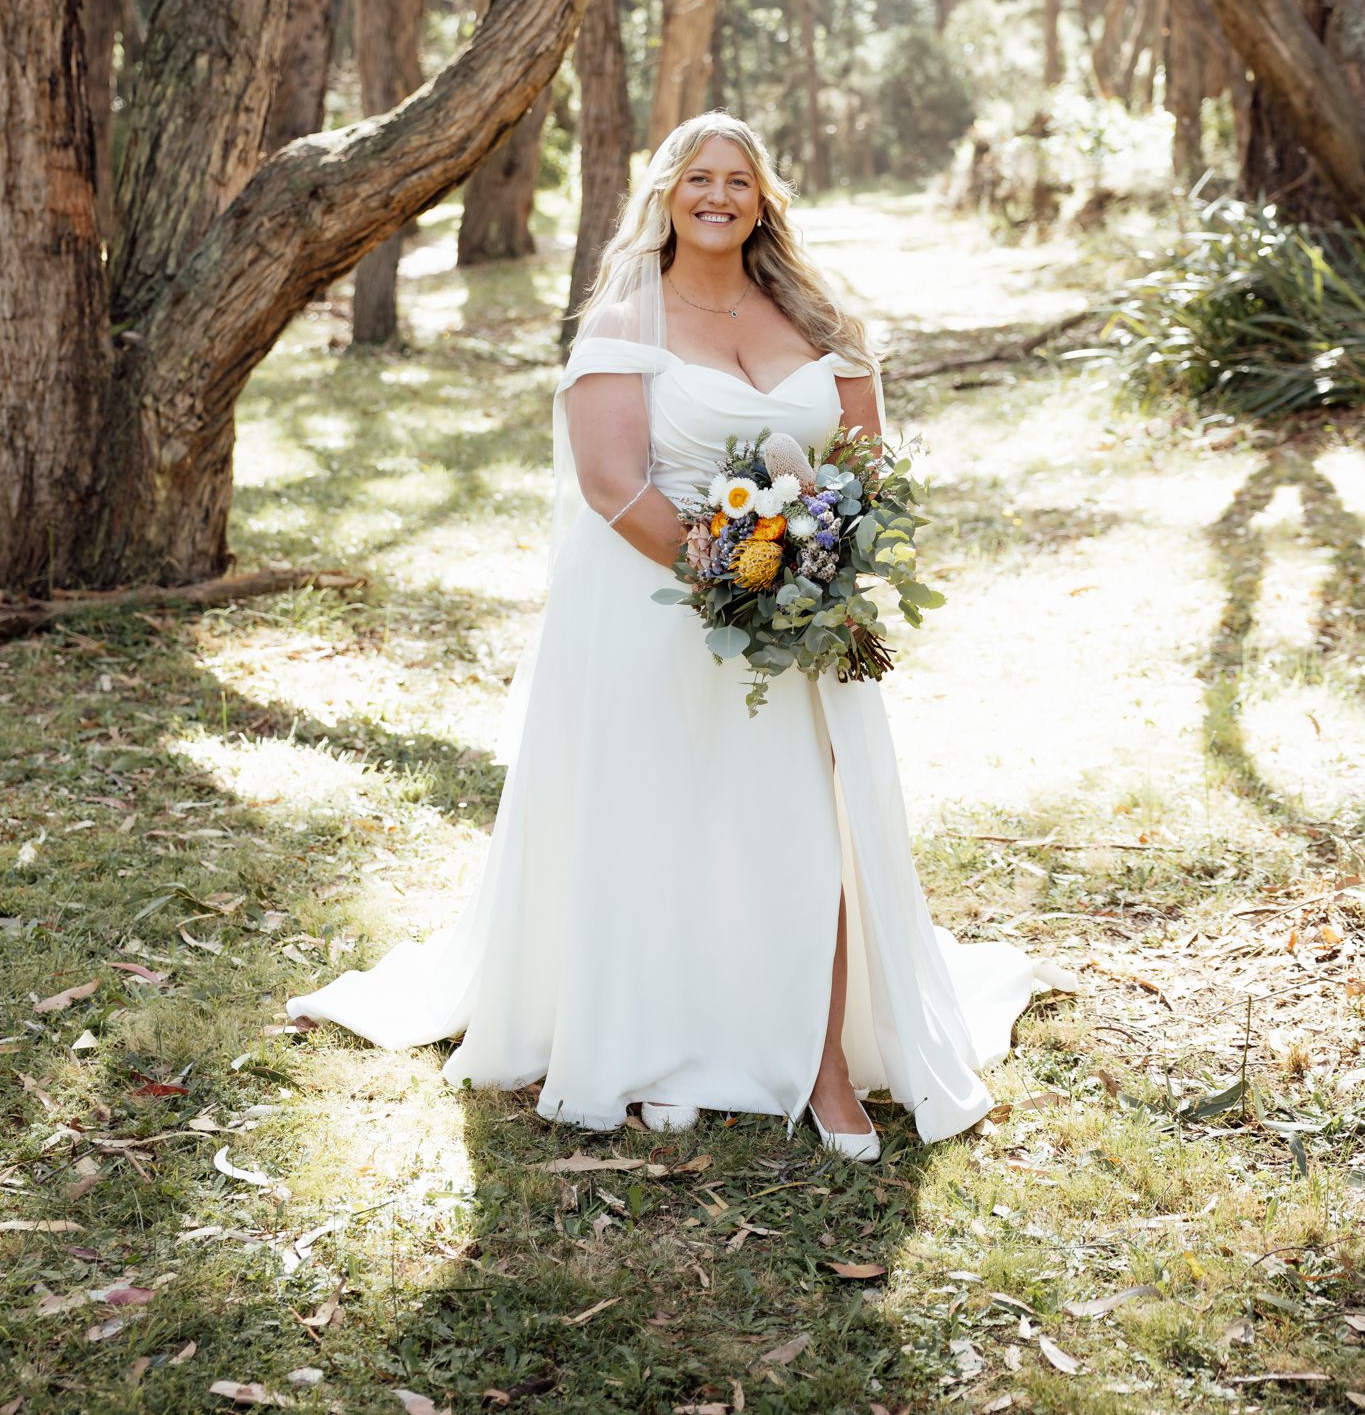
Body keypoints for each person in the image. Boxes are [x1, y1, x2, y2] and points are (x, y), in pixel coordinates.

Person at [288, 112, 1070, 1160]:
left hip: (802, 616)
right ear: (665, 193)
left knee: (804, 824)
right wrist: (734, 584)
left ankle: (826, 1065)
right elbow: (612, 481)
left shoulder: (817, 312)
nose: (717, 193)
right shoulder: (625, 320)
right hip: (656, 610)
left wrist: (810, 577)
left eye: (737, 179)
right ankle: (664, 1039)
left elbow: (869, 462)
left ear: (763, 199)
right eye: (697, 176)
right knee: (667, 822)